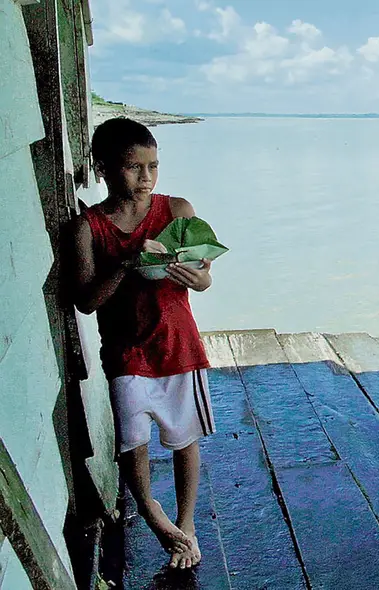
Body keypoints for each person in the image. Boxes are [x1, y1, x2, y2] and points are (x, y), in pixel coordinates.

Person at [71, 116, 216, 570]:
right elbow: (86, 300)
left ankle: (186, 524)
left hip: (177, 344)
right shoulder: (88, 228)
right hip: (125, 351)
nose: (147, 177)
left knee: (183, 438)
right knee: (132, 440)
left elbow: (206, 277)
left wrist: (198, 277)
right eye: (134, 167)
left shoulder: (176, 212)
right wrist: (127, 263)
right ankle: (153, 513)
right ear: (104, 169)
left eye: (153, 166)